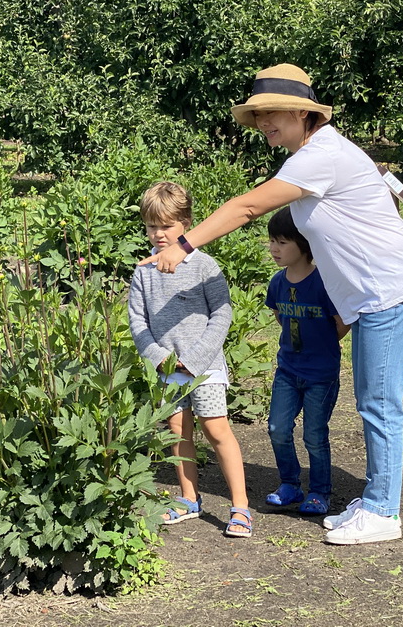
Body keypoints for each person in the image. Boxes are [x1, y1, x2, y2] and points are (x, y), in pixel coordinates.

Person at [139, 64, 403, 545]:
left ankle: (383, 510)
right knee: (372, 402)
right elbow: (370, 203)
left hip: (388, 296)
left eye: (271, 113)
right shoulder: (318, 152)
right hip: (376, 296)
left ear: (302, 112)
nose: (263, 124)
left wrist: (182, 246)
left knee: (379, 405)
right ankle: (377, 496)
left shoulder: (320, 155)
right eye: (257, 116)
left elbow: (246, 206)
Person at [128, 181, 253, 539]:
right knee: (177, 431)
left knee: (216, 431)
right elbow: (137, 320)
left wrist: (195, 359)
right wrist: (161, 358)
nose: (158, 234)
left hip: (206, 368)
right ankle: (188, 499)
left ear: (185, 223)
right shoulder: (143, 272)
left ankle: (240, 505)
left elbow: (222, 314)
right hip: (167, 370)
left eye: (166, 226)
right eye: (152, 226)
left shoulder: (204, 266)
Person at [264, 206, 349, 517]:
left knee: (314, 433)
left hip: (320, 375)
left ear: (305, 244)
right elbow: (280, 316)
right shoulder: (277, 283)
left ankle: (319, 491)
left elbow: (342, 322)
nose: (274, 248)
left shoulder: (325, 282)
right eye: (272, 241)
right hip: (287, 370)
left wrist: (322, 346)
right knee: (277, 427)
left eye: (283, 242)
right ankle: (290, 483)